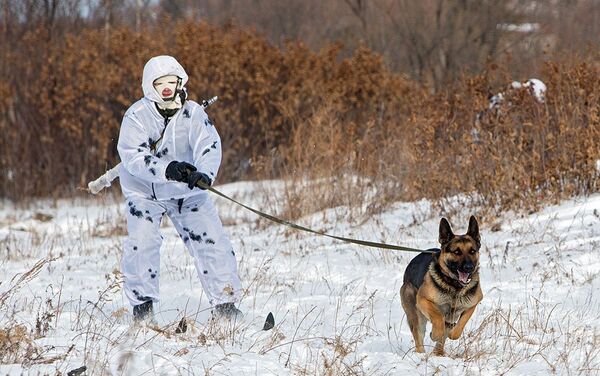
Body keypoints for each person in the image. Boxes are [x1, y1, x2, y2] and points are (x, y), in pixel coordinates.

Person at [117, 55, 242, 322]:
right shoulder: (136, 116)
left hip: (187, 191)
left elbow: (209, 145)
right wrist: (166, 169)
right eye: (158, 82)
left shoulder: (193, 113)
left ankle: (226, 305)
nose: (165, 87)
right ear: (149, 85)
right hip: (145, 191)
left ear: (180, 81)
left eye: (170, 81)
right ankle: (143, 308)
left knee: (212, 241)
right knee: (142, 242)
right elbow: (132, 156)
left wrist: (204, 174)